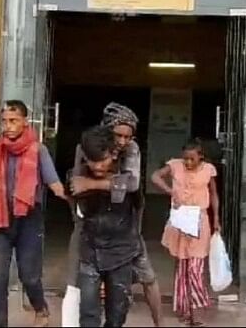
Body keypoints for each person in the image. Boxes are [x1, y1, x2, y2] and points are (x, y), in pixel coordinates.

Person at [63, 103, 164, 327]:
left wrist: (92, 183)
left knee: (143, 280)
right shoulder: (87, 147)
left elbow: (132, 185)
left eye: (128, 136)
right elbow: (74, 186)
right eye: (118, 135)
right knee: (80, 286)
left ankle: (160, 324)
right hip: (90, 229)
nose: (122, 141)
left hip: (125, 231)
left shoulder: (131, 149)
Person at [0, 100, 67, 327]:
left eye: (13, 121)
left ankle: (41, 309)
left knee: (30, 276)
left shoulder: (38, 150)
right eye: (4, 121)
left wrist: (75, 199)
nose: (8, 126)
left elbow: (54, 184)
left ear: (25, 122)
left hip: (28, 221)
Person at [74, 125, 141, 327]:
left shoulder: (129, 178)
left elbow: (134, 195)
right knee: (88, 313)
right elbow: (74, 194)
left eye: (102, 160)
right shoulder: (78, 177)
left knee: (117, 314)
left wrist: (94, 184)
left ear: (113, 154)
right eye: (92, 160)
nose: (97, 166)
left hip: (122, 252)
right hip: (90, 252)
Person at [151, 138, 221, 326]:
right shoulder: (175, 165)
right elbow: (155, 176)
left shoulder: (208, 170)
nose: (188, 162)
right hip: (180, 221)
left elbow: (214, 194)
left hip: (199, 222)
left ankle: (197, 309)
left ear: (201, 157)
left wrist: (216, 218)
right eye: (185, 159)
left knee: (195, 269)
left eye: (192, 159)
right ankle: (184, 309)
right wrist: (170, 191)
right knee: (182, 267)